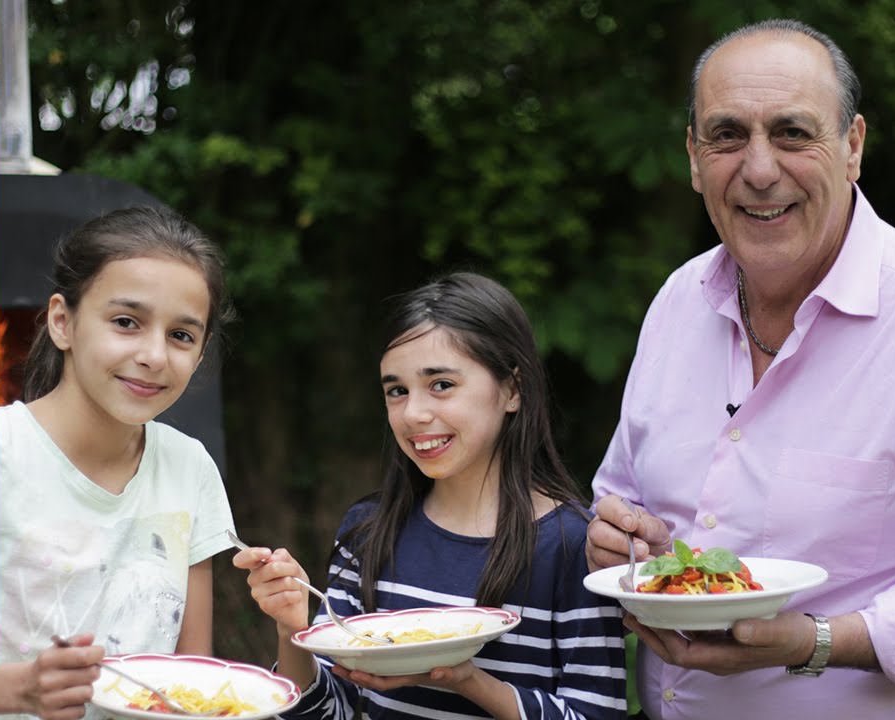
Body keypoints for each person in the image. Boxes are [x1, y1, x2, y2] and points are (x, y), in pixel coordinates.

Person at [584, 17, 895, 720]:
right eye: (726, 136)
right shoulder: (679, 300)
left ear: (853, 147)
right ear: (692, 157)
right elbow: (623, 495)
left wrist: (818, 642)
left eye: (792, 133)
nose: (759, 168)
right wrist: (617, 536)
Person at [233, 272, 627, 719]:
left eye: (441, 384)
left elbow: (597, 713)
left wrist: (471, 682)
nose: (415, 413)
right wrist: (292, 630)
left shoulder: (574, 545)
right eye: (397, 391)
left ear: (513, 389)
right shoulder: (367, 531)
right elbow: (329, 712)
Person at [0, 206, 237, 720]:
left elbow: (192, 671)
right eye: (126, 322)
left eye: (181, 335)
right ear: (63, 322)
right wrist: (19, 689)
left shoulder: (189, 467)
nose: (154, 355)